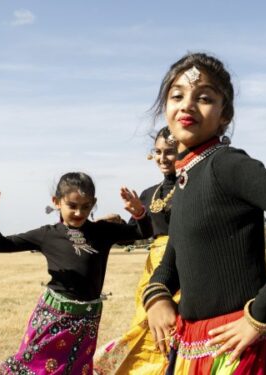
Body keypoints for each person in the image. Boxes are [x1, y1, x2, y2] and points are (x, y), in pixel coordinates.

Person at [142, 52, 266, 374]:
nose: (188, 105)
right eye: (177, 95)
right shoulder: (184, 177)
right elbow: (173, 258)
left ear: (225, 114)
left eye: (204, 98)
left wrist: (260, 313)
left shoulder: (227, 164)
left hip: (239, 352)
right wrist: (157, 296)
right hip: (193, 346)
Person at [0, 172, 152, 375]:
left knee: (76, 370)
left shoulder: (103, 231)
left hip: (88, 320)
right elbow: (1, 245)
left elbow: (143, 232)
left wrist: (140, 213)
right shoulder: (47, 235)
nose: (79, 212)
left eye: (86, 206)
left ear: (93, 203)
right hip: (53, 317)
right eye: (72, 206)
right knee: (36, 368)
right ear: (56, 201)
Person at [94, 127, 179, 374]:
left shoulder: (192, 188)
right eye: (158, 152)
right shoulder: (148, 194)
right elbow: (135, 235)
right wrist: (117, 224)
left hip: (184, 265)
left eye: (170, 152)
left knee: (174, 328)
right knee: (145, 325)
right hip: (153, 271)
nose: (163, 158)